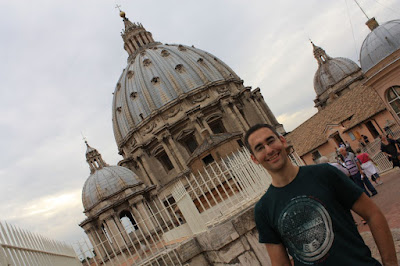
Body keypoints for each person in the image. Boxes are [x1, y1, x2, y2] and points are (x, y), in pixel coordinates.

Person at [245, 124, 396, 265]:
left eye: (270, 141)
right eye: (259, 148)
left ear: (283, 141)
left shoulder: (325, 173)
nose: (269, 150)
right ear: (254, 159)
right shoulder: (263, 209)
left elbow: (372, 214)